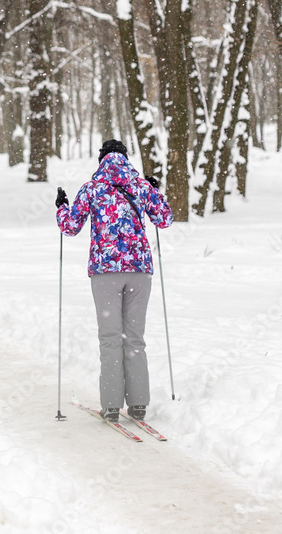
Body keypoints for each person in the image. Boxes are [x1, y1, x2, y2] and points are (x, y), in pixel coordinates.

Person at [55, 139, 173, 422]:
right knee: (134, 338)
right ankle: (139, 404)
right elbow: (165, 219)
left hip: (105, 272)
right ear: (126, 158)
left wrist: (62, 206)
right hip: (140, 271)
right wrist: (155, 191)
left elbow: (70, 227)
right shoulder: (140, 186)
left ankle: (110, 405)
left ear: (101, 160)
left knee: (110, 338)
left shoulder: (92, 188)